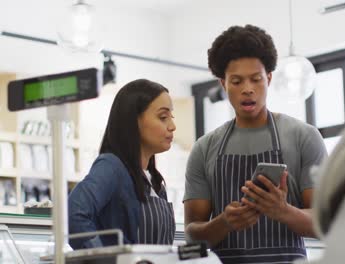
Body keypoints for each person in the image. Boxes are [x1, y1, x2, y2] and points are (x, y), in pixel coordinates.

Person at [183, 24, 327, 263]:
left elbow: (324, 223)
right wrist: (224, 223)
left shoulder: (304, 137)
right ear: (223, 84)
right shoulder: (204, 148)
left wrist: (283, 211)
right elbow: (192, 235)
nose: (247, 90)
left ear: (269, 79)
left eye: (256, 79)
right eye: (237, 81)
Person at [68, 79, 177, 249]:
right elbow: (73, 214)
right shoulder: (112, 167)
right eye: (163, 117)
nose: (172, 126)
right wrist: (107, 258)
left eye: (171, 116)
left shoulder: (155, 182)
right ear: (134, 120)